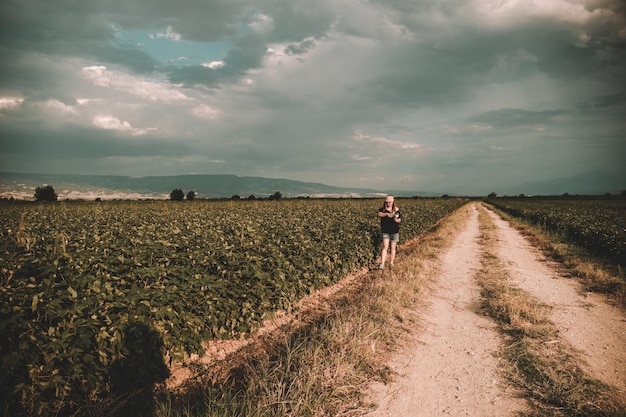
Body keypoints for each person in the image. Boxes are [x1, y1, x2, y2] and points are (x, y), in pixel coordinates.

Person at [377, 195, 401, 269]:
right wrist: (386, 214)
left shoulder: (396, 210)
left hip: (395, 231)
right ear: (385, 202)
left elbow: (399, 220)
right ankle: (382, 263)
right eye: (388, 202)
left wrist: (395, 219)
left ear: (393, 202)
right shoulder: (382, 209)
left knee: (393, 247)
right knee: (385, 246)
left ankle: (391, 263)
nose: (389, 203)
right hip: (385, 231)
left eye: (391, 202)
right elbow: (379, 214)